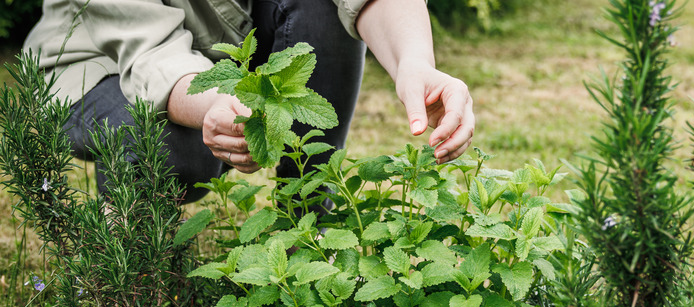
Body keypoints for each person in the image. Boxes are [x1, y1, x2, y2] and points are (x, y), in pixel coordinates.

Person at [24, 0, 475, 204]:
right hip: (94, 67)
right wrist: (221, 106)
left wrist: (415, 62)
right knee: (175, 151)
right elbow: (151, 54)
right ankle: (131, 254)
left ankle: (308, 214)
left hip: (222, 50)